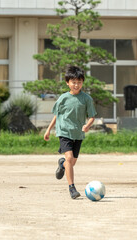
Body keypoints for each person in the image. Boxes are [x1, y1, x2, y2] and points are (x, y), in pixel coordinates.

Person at [44, 66, 97, 199]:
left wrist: (87, 126)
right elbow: (57, 115)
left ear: (82, 82)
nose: (76, 85)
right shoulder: (63, 98)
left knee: (71, 163)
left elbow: (92, 116)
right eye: (73, 82)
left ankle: (61, 164)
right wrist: (48, 130)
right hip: (64, 132)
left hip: (78, 134)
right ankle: (72, 188)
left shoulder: (86, 99)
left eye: (79, 82)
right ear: (68, 82)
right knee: (69, 158)